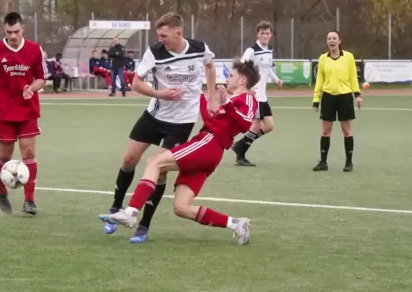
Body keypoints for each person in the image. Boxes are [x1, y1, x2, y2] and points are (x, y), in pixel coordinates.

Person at [98, 59, 260, 245]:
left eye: (231, 76)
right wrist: (196, 94)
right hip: (210, 150)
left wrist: (227, 104)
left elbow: (246, 123)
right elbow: (210, 117)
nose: (227, 79)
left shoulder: (247, 98)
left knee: (155, 162)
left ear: (242, 81)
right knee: (181, 207)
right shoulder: (233, 100)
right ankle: (236, 224)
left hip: (209, 143)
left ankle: (131, 211)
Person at [100, 12, 218, 243]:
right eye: (159, 35)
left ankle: (144, 225)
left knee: (160, 169)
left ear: (178, 33)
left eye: (164, 35)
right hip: (155, 114)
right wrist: (159, 93)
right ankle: (115, 209)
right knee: (128, 160)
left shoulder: (200, 48)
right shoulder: (154, 52)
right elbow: (135, 83)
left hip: (182, 122)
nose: (161, 39)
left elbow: (210, 67)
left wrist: (212, 98)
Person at [0, 12, 47, 215]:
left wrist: (31, 87)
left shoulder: (34, 49)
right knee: (5, 156)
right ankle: (1, 191)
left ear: (23, 29)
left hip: (28, 110)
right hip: (3, 112)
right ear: (3, 30)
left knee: (29, 152)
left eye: (16, 31)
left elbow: (41, 77)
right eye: (9, 32)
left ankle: (29, 200)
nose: (13, 35)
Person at [232, 20, 283, 167]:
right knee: (256, 125)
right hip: (255, 95)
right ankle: (240, 155)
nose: (265, 36)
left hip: (263, 95)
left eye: (267, 33)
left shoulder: (268, 50)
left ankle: (240, 145)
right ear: (258, 34)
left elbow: (268, 69)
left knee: (269, 126)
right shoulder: (252, 50)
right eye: (262, 33)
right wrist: (246, 87)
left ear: (271, 35)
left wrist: (276, 79)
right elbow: (240, 68)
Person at [312, 30, 363, 172]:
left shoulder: (349, 57)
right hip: (328, 97)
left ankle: (348, 162)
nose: (331, 41)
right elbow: (320, 81)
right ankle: (323, 163)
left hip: (345, 97)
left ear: (339, 41)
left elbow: (353, 77)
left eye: (334, 38)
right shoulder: (323, 58)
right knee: (326, 131)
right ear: (327, 42)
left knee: (346, 131)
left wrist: (357, 95)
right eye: (329, 38)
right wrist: (316, 99)